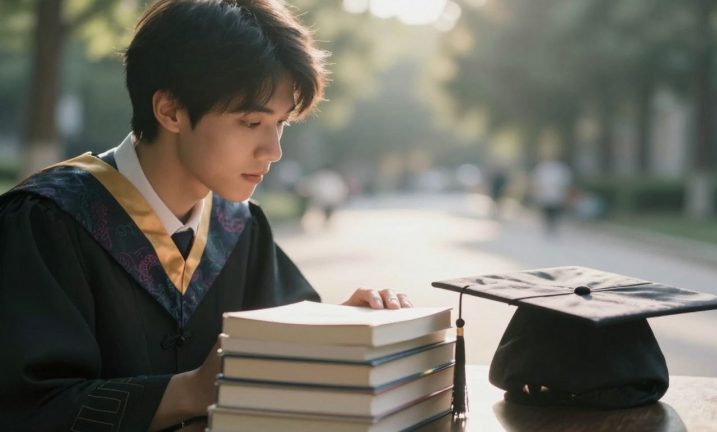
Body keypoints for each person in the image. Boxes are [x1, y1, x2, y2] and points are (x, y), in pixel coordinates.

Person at [0, 1, 410, 431]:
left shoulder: (238, 228)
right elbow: (25, 407)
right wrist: (192, 390)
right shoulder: (46, 221)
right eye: (251, 122)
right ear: (170, 111)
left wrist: (335, 330)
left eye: (281, 123)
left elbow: (280, 364)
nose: (273, 151)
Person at [529, 156, 572, 235]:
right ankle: (548, 226)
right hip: (545, 194)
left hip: (557, 194)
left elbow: (565, 182)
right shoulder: (542, 168)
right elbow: (536, 181)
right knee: (547, 211)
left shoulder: (560, 168)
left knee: (555, 211)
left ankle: (553, 226)